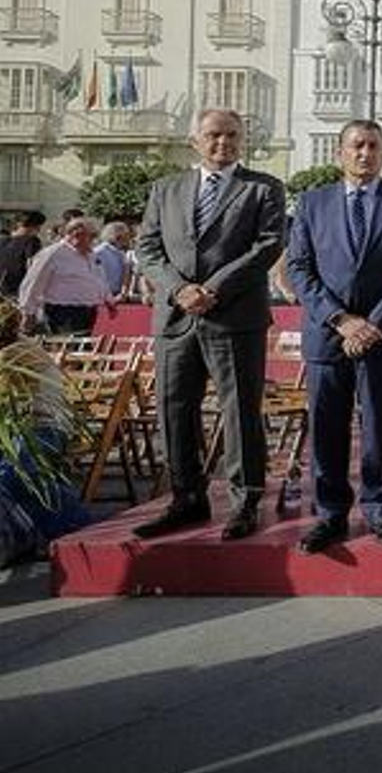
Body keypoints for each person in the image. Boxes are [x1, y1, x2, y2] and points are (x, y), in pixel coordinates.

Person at [130, 109, 287, 540]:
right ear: (194, 141)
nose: (224, 143)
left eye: (233, 135)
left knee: (240, 411)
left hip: (235, 317)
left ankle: (245, 500)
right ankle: (187, 498)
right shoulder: (167, 189)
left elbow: (269, 245)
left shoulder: (264, 188)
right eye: (214, 135)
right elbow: (148, 248)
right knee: (174, 408)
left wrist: (212, 289)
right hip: (176, 317)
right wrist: (180, 289)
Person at [287, 120, 382, 552]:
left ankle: (381, 509)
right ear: (339, 154)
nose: (364, 153)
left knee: (380, 427)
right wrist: (341, 320)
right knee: (327, 428)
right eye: (356, 146)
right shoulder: (311, 204)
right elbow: (299, 268)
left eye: (373, 146)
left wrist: (373, 325)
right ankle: (329, 514)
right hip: (327, 336)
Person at [16, 216, 116, 335]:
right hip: (63, 313)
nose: (95, 240)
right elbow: (32, 283)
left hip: (88, 310)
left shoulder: (90, 255)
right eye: (93, 235)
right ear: (77, 234)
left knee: (82, 350)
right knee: (71, 349)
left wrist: (109, 300)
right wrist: (28, 312)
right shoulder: (52, 254)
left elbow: (99, 278)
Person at [0, 210, 47, 299]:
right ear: (35, 226)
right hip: (19, 294)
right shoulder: (32, 241)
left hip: (3, 292)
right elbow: (32, 267)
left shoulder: (2, 241)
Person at [93, 222, 136, 301]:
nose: (129, 239)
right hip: (102, 298)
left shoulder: (121, 253)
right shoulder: (99, 252)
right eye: (127, 235)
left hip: (118, 296)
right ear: (118, 236)